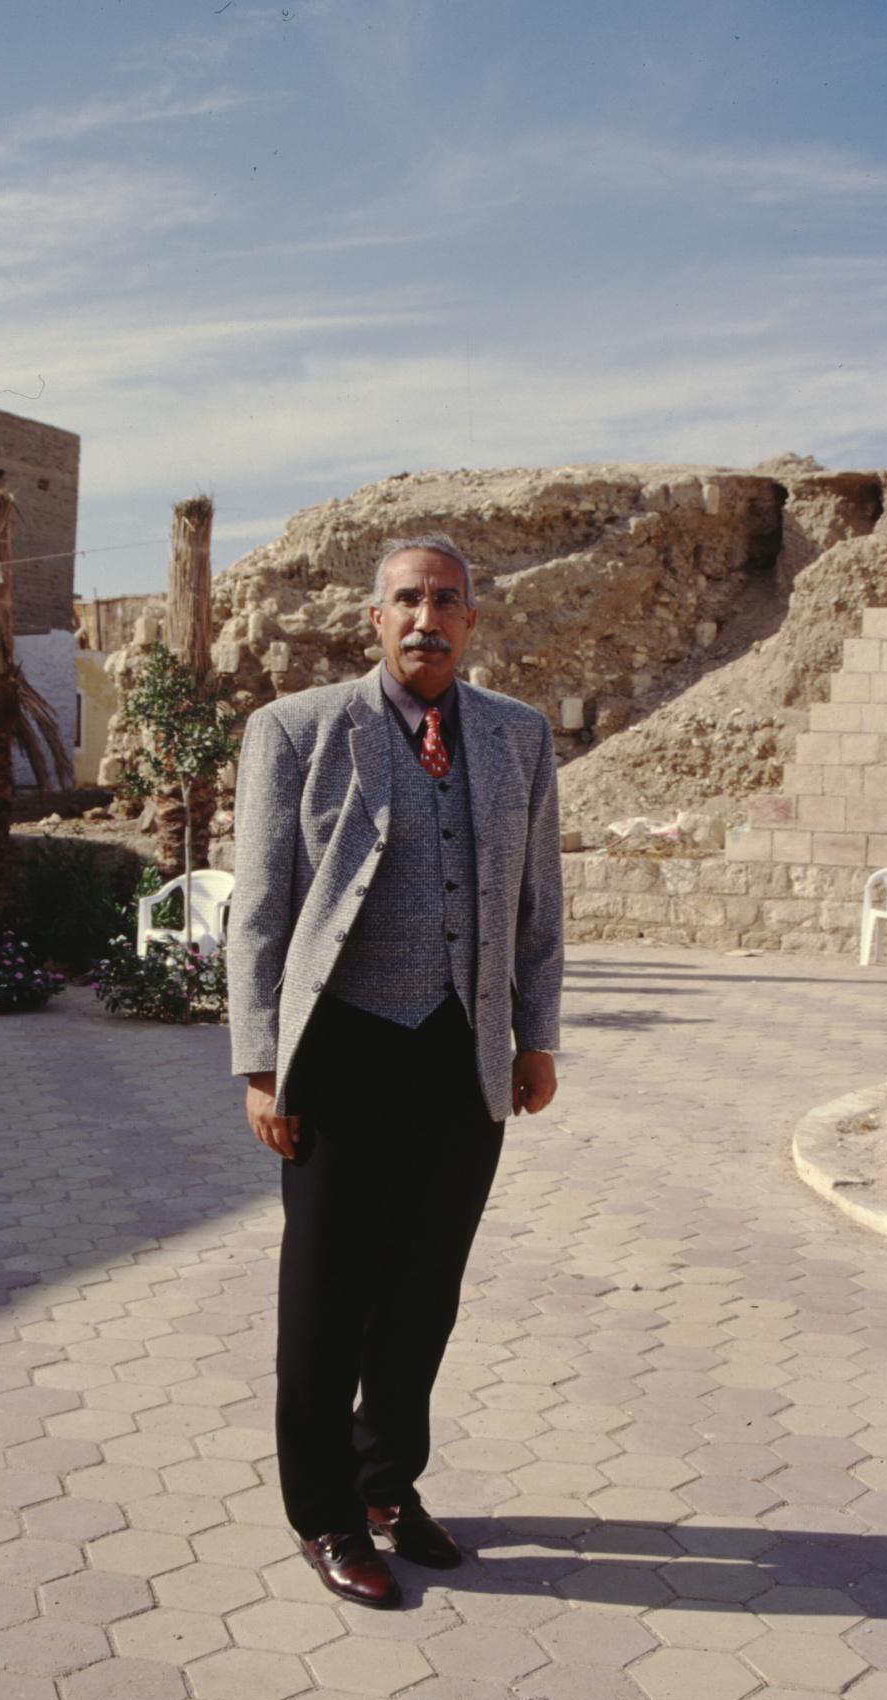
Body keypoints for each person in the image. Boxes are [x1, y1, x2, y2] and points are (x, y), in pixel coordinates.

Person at [228, 533, 564, 1608]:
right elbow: (260, 912)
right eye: (407, 600)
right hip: (342, 1047)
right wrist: (261, 1066)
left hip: (461, 1052)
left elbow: (539, 904)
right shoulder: (295, 730)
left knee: (423, 1294)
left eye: (447, 601)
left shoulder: (517, 735)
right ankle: (324, 1512)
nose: (427, 619)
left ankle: (385, 1485)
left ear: (472, 619)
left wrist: (534, 1035)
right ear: (373, 619)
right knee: (326, 1299)